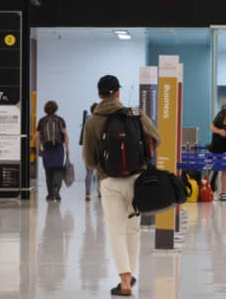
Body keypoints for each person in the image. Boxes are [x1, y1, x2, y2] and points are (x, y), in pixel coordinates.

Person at [82, 75, 160, 297]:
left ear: (99, 95)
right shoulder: (134, 113)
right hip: (136, 180)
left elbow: (88, 160)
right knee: (132, 229)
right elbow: (156, 137)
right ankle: (130, 273)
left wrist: (102, 165)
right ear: (118, 93)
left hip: (108, 182)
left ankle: (124, 280)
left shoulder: (92, 121)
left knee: (116, 230)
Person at [36, 100, 70, 202]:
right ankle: (57, 191)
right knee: (58, 171)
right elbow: (66, 135)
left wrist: (38, 149)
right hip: (59, 149)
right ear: (55, 109)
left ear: (45, 109)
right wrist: (67, 148)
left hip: (47, 148)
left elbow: (37, 136)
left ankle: (50, 195)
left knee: (48, 172)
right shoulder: (60, 120)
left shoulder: (42, 121)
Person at [80, 102, 100, 201]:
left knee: (89, 173)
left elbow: (84, 138)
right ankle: (100, 193)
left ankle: (87, 194)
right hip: (99, 151)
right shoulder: (102, 121)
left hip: (88, 151)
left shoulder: (87, 121)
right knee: (100, 173)